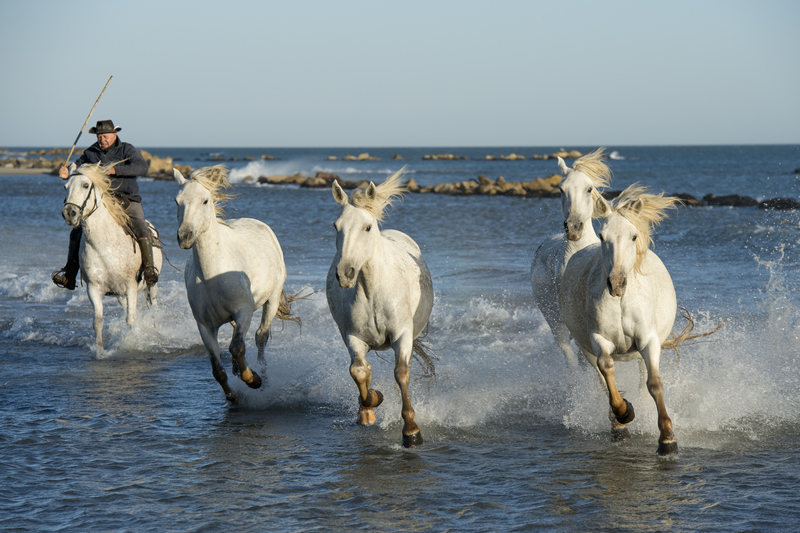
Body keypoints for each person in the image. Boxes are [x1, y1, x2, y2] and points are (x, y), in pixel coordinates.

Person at [52, 119, 159, 290]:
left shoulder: (127, 149)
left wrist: (115, 170)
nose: (102, 140)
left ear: (114, 135)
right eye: (99, 136)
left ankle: (149, 269)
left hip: (127, 198)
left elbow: (142, 167)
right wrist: (67, 171)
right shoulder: (91, 152)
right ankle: (69, 275)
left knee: (140, 225)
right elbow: (77, 167)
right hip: (101, 202)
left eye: (105, 136)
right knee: (76, 231)